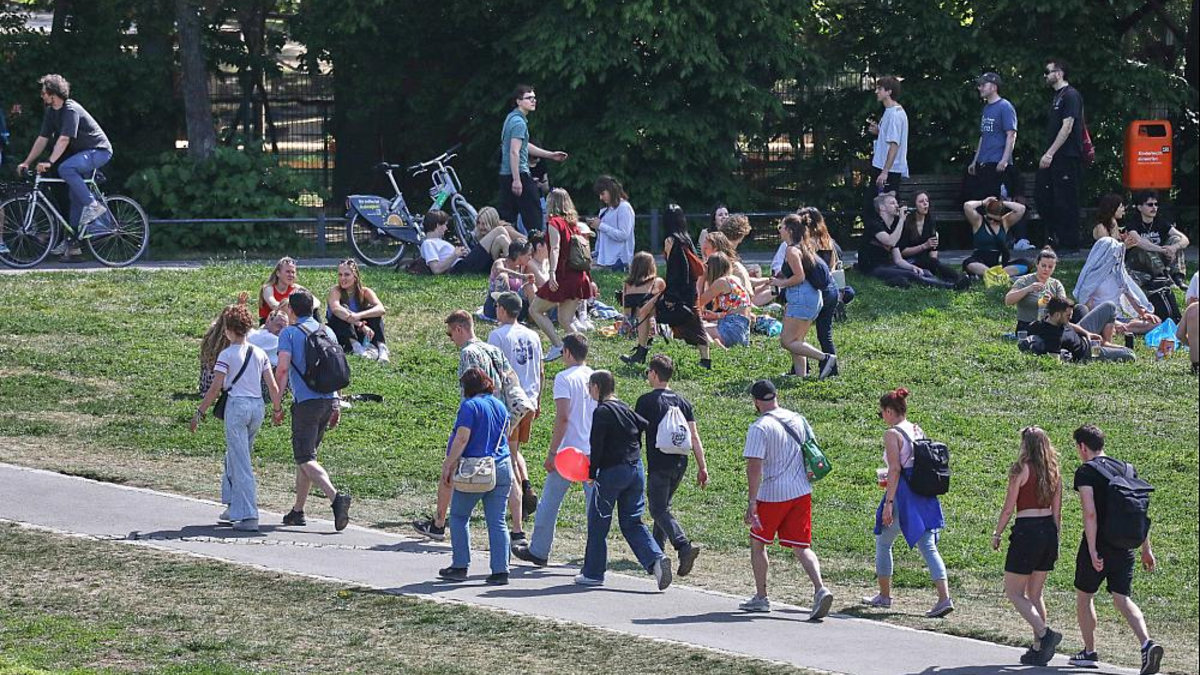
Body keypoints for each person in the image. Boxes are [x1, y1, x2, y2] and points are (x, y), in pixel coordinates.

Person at [1068, 425, 1163, 674]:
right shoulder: (1127, 469)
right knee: (1122, 598)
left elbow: (1090, 513)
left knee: (1085, 595)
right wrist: (1145, 548)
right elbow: (1138, 512)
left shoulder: (1086, 471)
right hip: (1126, 545)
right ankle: (1146, 644)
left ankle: (1089, 651)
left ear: (1082, 446)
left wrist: (1091, 549)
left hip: (1099, 543)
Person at [738, 379, 834, 620]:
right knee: (802, 547)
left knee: (758, 542)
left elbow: (754, 467)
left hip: (772, 495)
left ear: (756, 401)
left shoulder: (759, 428)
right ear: (776, 396)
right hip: (801, 491)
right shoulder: (798, 419)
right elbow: (812, 448)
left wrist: (752, 502)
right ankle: (820, 589)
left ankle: (761, 597)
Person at [414, 310, 513, 541]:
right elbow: (510, 380)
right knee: (507, 470)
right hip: (498, 416)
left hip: (474, 418)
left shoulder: (468, 353)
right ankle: (517, 528)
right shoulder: (493, 349)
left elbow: (467, 390)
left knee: (450, 468)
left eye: (450, 334)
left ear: (459, 329)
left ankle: (439, 523)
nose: (452, 339)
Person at [190, 303, 284, 532]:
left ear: (230, 330)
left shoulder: (227, 354)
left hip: (237, 407)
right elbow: (272, 385)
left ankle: (249, 514)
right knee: (234, 456)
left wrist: (199, 412)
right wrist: (277, 409)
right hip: (257, 408)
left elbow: (215, 388)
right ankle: (233, 507)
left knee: (241, 462)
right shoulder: (259, 353)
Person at [575, 370, 673, 590]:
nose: (589, 391)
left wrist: (592, 474)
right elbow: (643, 424)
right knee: (632, 521)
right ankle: (656, 560)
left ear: (597, 387)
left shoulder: (602, 411)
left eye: (590, 386)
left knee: (599, 522)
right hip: (635, 470)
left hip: (612, 473)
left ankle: (593, 573)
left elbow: (596, 445)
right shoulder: (625, 407)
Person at [863, 387, 954, 618]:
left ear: (889, 411)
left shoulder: (892, 434)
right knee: (928, 545)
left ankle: (885, 596)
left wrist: (888, 503)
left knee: (884, 542)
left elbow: (895, 469)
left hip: (904, 493)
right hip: (922, 492)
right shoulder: (916, 428)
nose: (882, 417)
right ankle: (944, 597)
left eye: (882, 412)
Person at [512, 333, 595, 567]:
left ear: (567, 352)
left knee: (550, 502)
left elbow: (563, 418)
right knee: (594, 508)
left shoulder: (564, 378)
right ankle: (595, 554)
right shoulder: (596, 377)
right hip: (592, 451)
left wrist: (552, 453)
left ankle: (539, 550)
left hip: (568, 452)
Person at [274, 289, 352, 531]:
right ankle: (298, 511)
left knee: (304, 457)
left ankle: (336, 498)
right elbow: (336, 367)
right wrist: (337, 402)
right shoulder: (326, 330)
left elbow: (283, 369)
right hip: (328, 400)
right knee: (308, 457)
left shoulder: (289, 333)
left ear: (292, 310)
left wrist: (277, 404)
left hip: (306, 403)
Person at [16, 74, 112, 260]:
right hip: (82, 155)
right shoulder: (52, 112)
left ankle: (94, 206)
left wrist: (50, 162)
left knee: (65, 169)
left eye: (44, 93)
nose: (41, 96)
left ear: (54, 94)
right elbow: (42, 138)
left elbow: (64, 139)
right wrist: (27, 162)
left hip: (99, 151)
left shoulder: (70, 109)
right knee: (74, 198)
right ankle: (72, 242)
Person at [990, 426, 1063, 666]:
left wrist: (997, 533)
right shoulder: (1054, 471)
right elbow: (1057, 513)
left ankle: (1044, 634)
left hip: (1027, 531)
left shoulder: (1021, 469)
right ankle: (1038, 648)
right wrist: (1056, 541)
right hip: (1048, 532)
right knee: (1035, 593)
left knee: (1014, 591)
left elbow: (1009, 507)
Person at [436, 367, 514, 585]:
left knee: (460, 517)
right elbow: (506, 434)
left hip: (475, 470)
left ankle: (460, 565)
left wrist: (448, 465)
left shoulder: (469, 407)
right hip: (502, 466)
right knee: (497, 520)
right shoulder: (500, 405)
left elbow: (462, 438)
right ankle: (501, 570)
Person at [635, 355, 709, 577]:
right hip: (680, 463)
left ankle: (683, 546)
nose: (648, 374)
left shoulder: (646, 401)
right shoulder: (683, 402)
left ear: (655, 374)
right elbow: (694, 437)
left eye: (649, 371)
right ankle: (657, 554)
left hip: (659, 464)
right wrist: (702, 467)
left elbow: (635, 433)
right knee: (663, 506)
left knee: (657, 509)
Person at [624, 204, 711, 368]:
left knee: (644, 311)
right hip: (689, 291)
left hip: (677, 292)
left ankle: (641, 353)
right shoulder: (687, 240)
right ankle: (705, 360)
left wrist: (670, 297)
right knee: (696, 323)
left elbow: (675, 271)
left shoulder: (671, 241)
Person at [487, 292, 544, 543]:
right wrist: (538, 400)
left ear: (502, 310)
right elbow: (540, 370)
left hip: (508, 404)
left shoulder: (497, 336)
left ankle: (518, 523)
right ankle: (527, 485)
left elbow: (493, 373)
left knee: (506, 458)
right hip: (529, 401)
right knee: (514, 450)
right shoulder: (533, 335)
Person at [530, 189, 594, 361]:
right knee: (565, 320)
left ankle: (558, 345)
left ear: (552, 203)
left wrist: (552, 273)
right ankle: (583, 353)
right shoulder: (574, 224)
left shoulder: (554, 222)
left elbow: (556, 247)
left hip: (563, 276)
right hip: (579, 276)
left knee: (534, 309)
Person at [770, 215, 837, 379]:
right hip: (812, 297)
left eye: (781, 227)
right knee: (797, 339)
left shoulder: (792, 250)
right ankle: (801, 376)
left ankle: (825, 358)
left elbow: (799, 277)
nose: (779, 230)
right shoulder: (803, 245)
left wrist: (780, 284)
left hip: (802, 297)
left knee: (787, 341)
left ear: (789, 230)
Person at [498, 84, 568, 235]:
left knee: (507, 219)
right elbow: (514, 152)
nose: (534, 101)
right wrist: (517, 180)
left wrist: (550, 155)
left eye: (534, 98)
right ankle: (537, 253)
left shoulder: (512, 118)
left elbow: (523, 145)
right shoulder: (518, 123)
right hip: (518, 174)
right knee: (535, 221)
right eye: (529, 98)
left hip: (506, 174)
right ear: (518, 101)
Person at [1036, 57, 1085, 252]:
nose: (1046, 75)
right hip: (1057, 157)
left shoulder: (1071, 95)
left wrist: (1050, 153)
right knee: (1048, 197)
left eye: (1048, 71)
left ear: (1059, 73)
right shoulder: (1057, 96)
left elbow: (1067, 127)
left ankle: (1070, 243)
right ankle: (1057, 238)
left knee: (1067, 199)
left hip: (1067, 155)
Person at [858, 194, 956, 289]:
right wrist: (901, 220)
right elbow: (890, 241)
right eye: (892, 203)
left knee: (924, 272)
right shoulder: (874, 224)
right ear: (882, 207)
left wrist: (912, 267)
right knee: (911, 275)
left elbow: (898, 259)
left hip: (888, 265)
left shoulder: (893, 228)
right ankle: (950, 287)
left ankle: (950, 282)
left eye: (896, 203)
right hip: (872, 268)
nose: (897, 205)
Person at [1073, 237, 1163, 335]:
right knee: (1105, 324)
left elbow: (1132, 297)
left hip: (1117, 317)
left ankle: (1123, 328)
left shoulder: (1119, 274)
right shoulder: (1092, 276)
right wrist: (1112, 321)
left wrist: (1144, 314)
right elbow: (1088, 307)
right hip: (1100, 318)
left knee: (1156, 322)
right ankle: (1118, 328)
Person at [898, 192, 969, 288]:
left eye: (927, 201)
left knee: (934, 264)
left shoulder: (930, 221)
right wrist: (924, 246)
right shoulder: (906, 223)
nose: (925, 203)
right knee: (932, 264)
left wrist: (934, 261)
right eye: (921, 201)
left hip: (925, 259)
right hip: (909, 261)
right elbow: (902, 252)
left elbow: (933, 248)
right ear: (914, 205)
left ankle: (958, 279)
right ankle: (957, 279)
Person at [966, 72, 1019, 202]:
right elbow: (983, 136)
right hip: (984, 163)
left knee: (996, 207)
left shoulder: (1005, 106)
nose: (980, 88)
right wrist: (975, 160)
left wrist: (1004, 160)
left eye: (983, 84)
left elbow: (1011, 135)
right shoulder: (986, 108)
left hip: (998, 164)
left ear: (994, 87)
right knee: (982, 203)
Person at [1124, 190, 1190, 291]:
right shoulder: (1133, 223)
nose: (1154, 207)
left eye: (1156, 204)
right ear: (1139, 207)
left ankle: (1178, 278)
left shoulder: (1160, 221)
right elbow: (1139, 242)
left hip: (1160, 258)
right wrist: (1162, 250)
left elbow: (1185, 239)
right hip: (1138, 262)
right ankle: (1164, 277)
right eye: (1150, 204)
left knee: (1176, 240)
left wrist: (1173, 247)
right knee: (1144, 245)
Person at [326, 259, 389, 363]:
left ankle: (382, 348)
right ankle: (357, 348)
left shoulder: (365, 291)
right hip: (342, 331)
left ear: (355, 277)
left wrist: (359, 315)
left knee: (372, 311)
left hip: (359, 330)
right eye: (340, 274)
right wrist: (360, 324)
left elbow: (381, 309)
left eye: (347, 275)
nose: (342, 278)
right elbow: (336, 309)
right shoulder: (336, 290)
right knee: (343, 308)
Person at [962, 196, 1031, 278]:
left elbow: (1021, 208)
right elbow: (967, 206)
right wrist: (983, 202)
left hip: (998, 263)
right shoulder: (978, 221)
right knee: (969, 263)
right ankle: (993, 275)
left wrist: (1002, 203)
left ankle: (995, 275)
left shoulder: (1005, 222)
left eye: (996, 220)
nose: (992, 221)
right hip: (979, 260)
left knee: (1025, 263)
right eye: (989, 218)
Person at [1005, 248, 1069, 333]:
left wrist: (1053, 301)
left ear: (1054, 268)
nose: (1046, 269)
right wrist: (1028, 289)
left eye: (1050, 267)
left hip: (1051, 325)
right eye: (1043, 265)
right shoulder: (1025, 280)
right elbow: (1008, 300)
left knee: (1080, 309)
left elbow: (1064, 307)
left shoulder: (1056, 284)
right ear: (1037, 264)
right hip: (1028, 325)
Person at [698, 253, 752, 348]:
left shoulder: (721, 282)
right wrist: (717, 316)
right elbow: (738, 309)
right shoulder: (735, 279)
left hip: (731, 330)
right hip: (743, 333)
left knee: (696, 329)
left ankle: (716, 345)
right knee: (706, 325)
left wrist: (702, 278)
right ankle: (717, 342)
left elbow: (698, 302)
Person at [867, 75, 909, 196]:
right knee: (875, 207)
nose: (876, 92)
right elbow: (891, 136)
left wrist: (885, 172)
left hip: (888, 169)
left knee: (881, 208)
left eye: (879, 89)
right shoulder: (890, 111)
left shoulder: (895, 115)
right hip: (883, 166)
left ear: (889, 92)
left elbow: (894, 145)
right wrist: (879, 131)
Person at [620, 251, 667, 357]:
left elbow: (625, 309)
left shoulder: (627, 284)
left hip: (629, 328)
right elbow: (664, 305)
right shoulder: (657, 282)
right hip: (649, 326)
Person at [420, 210, 491, 275]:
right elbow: (436, 270)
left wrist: (461, 254)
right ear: (438, 225)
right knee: (498, 230)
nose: (446, 228)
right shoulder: (428, 243)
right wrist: (455, 255)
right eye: (445, 225)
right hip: (459, 268)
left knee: (499, 240)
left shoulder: (437, 241)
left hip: (463, 264)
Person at [589, 175, 635, 271]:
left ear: (611, 190)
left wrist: (601, 226)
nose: (601, 198)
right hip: (605, 262)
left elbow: (623, 235)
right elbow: (602, 238)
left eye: (603, 194)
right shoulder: (605, 210)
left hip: (620, 262)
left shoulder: (624, 208)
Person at [259, 257, 312, 325]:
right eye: (288, 272)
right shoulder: (268, 288)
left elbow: (315, 301)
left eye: (293, 272)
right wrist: (289, 306)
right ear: (278, 273)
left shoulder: (296, 288)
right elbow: (273, 304)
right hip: (270, 323)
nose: (291, 275)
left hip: (289, 322)